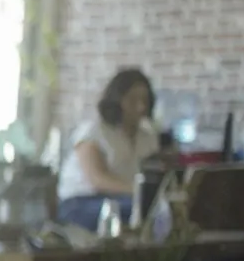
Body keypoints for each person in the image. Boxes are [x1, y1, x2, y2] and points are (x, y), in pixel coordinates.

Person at [57, 69, 166, 232]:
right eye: (132, 100)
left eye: (145, 100)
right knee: (139, 211)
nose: (140, 107)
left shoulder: (148, 136)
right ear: (117, 100)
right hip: (81, 202)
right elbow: (98, 180)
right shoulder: (93, 131)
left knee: (158, 212)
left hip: (127, 199)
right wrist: (139, 191)